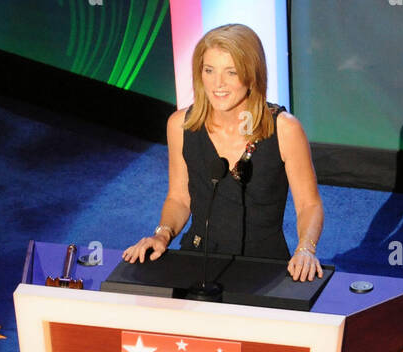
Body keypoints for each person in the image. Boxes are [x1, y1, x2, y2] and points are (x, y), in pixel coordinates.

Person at [122, 23, 324, 282]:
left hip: (263, 266)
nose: (218, 84)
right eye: (209, 70)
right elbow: (179, 199)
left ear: (251, 74)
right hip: (199, 259)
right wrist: (162, 234)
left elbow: (309, 205)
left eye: (231, 72)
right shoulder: (180, 125)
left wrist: (305, 249)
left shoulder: (285, 129)